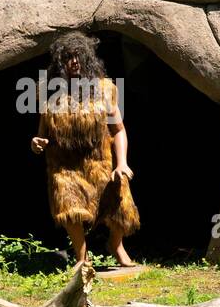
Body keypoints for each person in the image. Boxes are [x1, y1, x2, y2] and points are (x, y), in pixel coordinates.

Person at [31, 31, 139, 267]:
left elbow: (118, 130)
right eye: (68, 56)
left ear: (88, 59)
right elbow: (41, 135)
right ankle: (82, 257)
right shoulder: (49, 93)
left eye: (79, 56)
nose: (74, 61)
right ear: (61, 62)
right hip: (65, 166)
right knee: (68, 204)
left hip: (102, 162)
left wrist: (122, 163)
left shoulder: (105, 89)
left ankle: (116, 245)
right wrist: (37, 144)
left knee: (121, 204)